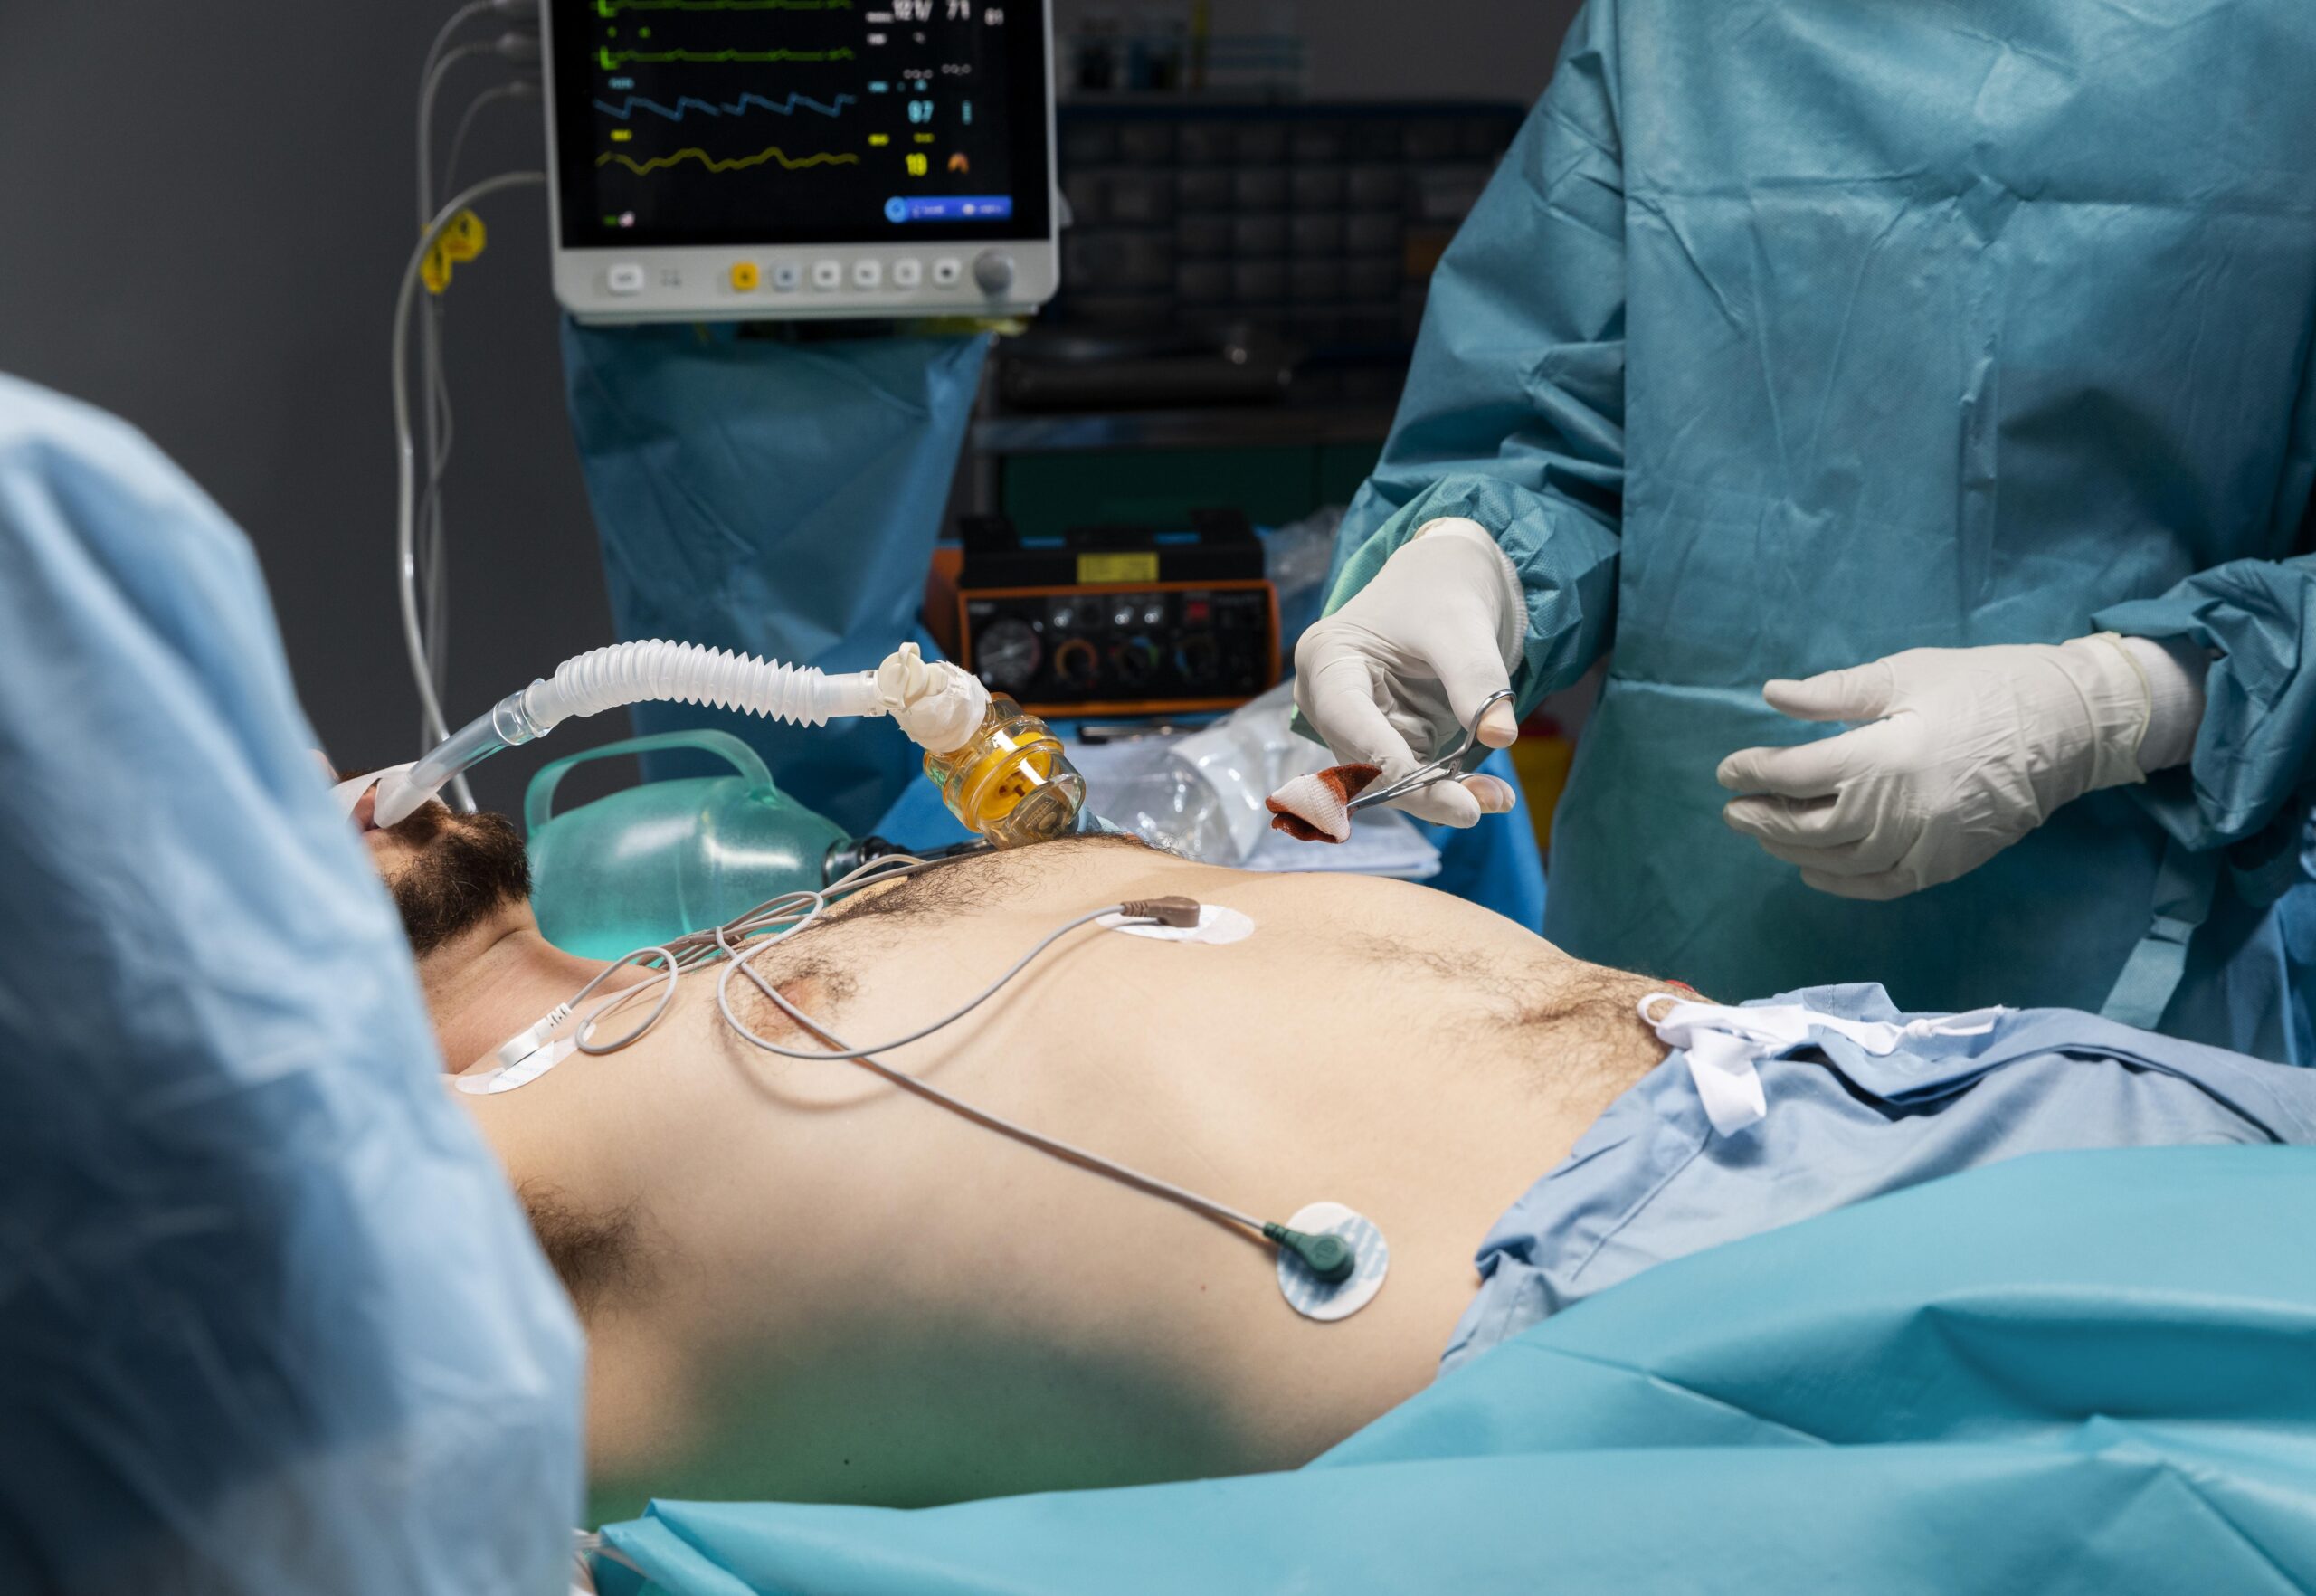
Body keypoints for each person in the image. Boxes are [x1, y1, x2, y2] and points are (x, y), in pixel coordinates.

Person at [340, 771, 2316, 1521]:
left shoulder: (715, 944)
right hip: (1693, 1322)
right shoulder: (419, 1193)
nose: (344, 778)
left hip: (1893, 1084)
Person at [1294, 0, 2316, 1062]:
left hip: (2149, 971)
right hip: (1690, 948)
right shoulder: (1669, 30)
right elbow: (1560, 422)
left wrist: (2121, 704)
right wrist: (1474, 563)